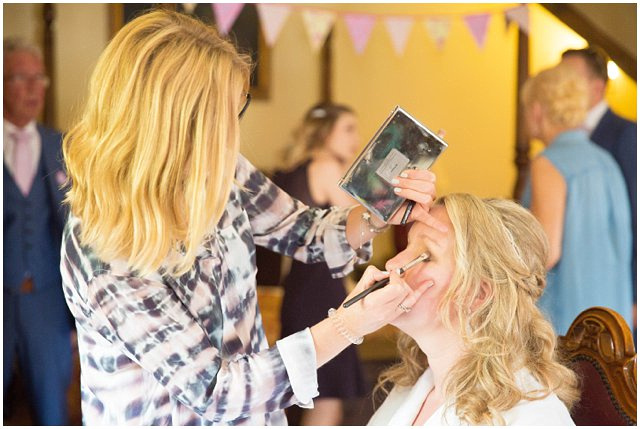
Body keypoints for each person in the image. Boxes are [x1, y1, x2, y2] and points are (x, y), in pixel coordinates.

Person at [60, 10, 442, 426]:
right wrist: (353, 322)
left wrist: (377, 209)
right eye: (227, 115)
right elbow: (216, 391)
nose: (233, 133)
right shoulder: (104, 246)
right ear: (177, 124)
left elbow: (306, 232)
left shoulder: (221, 170)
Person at [368, 193, 579, 425]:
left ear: (479, 294)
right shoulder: (410, 388)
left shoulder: (531, 417)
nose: (392, 264)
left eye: (425, 257)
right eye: (408, 246)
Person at [519, 64, 633, 335]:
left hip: (566, 322)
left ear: (536, 111)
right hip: (611, 323)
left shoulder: (548, 163)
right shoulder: (606, 161)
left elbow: (545, 251)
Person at [271, 103, 365, 425]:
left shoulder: (299, 168)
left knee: (311, 390)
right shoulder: (327, 167)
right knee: (326, 395)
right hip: (320, 291)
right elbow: (360, 222)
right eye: (348, 129)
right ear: (326, 134)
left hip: (299, 289)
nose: (356, 138)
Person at [3, 37, 73, 425]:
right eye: (19, 78)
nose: (33, 89)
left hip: (47, 299)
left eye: (38, 79)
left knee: (52, 407)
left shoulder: (60, 146)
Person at [561, 46, 637, 325]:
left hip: (617, 285)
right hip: (580, 279)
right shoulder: (568, 133)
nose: (562, 87)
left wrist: (635, 295)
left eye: (570, 78)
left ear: (597, 88)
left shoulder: (627, 133)